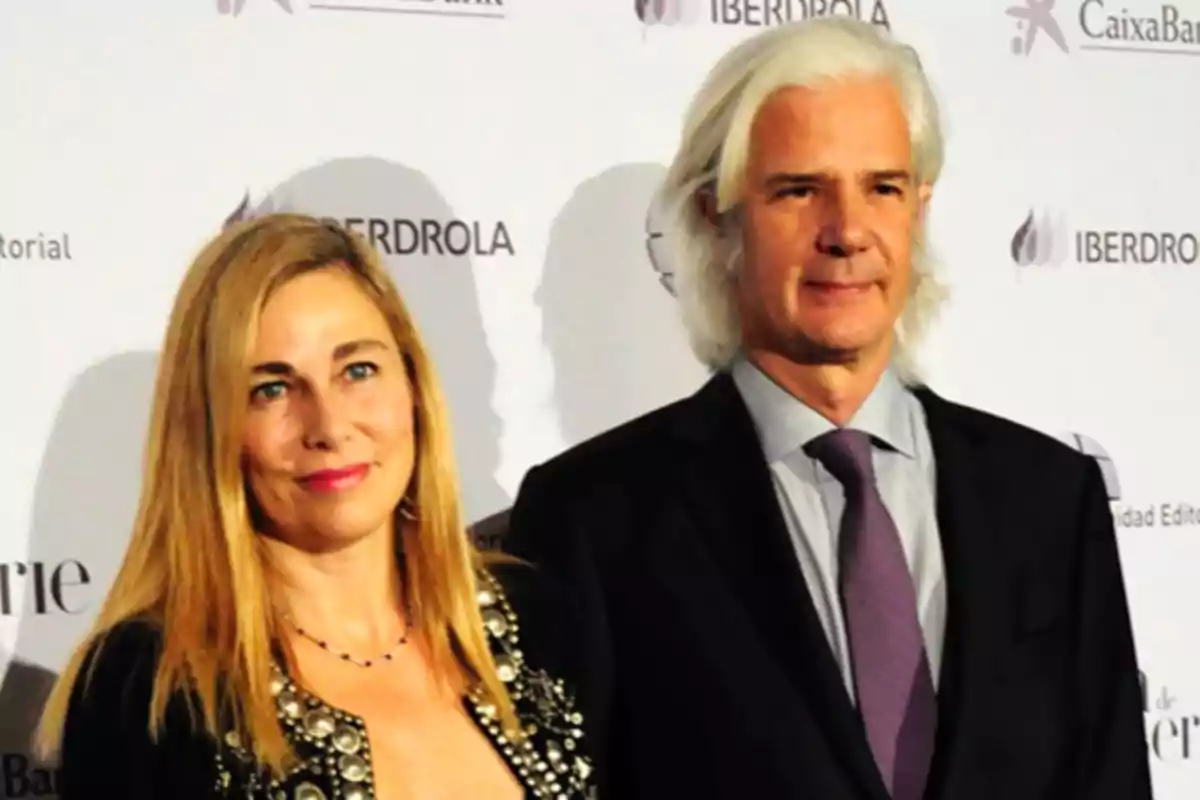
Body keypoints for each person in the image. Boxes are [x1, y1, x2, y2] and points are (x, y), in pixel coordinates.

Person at [503, 17, 1151, 800]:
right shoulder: (590, 520)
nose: (846, 232)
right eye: (799, 190)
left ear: (918, 208)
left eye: (882, 187)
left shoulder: (1050, 498)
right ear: (717, 216)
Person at [35, 213, 597, 799]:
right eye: (271, 389)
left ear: (413, 389)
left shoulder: (536, 623)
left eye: (358, 370)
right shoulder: (151, 687)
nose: (328, 426)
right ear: (207, 429)